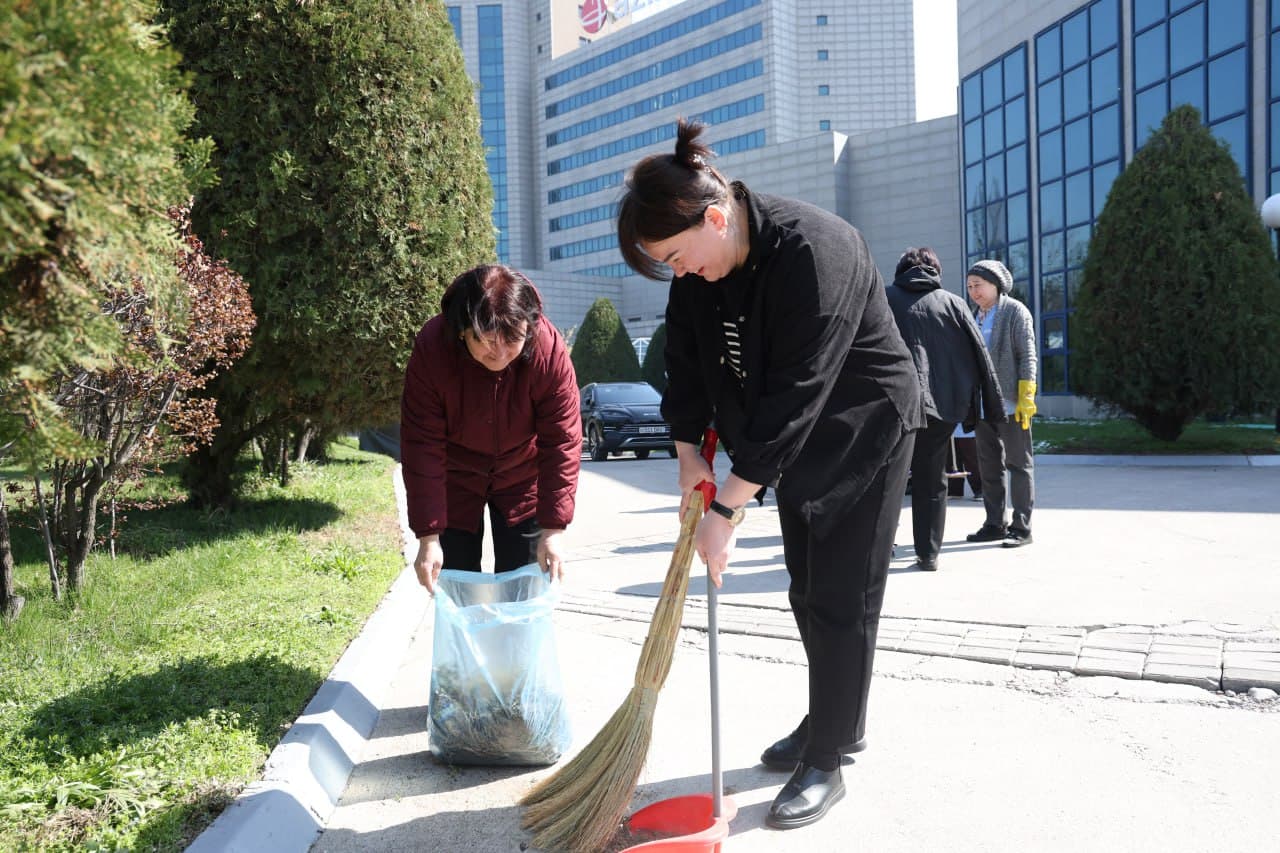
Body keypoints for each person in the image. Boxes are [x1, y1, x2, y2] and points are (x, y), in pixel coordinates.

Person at [616, 120, 921, 830]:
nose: (679, 273)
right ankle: (828, 715)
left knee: (842, 595)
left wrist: (725, 510)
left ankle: (831, 755)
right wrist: (690, 454)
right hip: (785, 445)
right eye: (667, 265)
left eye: (677, 256)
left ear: (715, 216)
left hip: (863, 427)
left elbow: (800, 390)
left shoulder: (817, 250)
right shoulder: (702, 270)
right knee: (805, 588)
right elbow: (686, 362)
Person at [400, 264, 582, 592]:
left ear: (529, 326)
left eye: (512, 339)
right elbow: (422, 444)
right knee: (459, 591)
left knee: (523, 594)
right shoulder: (433, 348)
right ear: (461, 331)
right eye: (485, 341)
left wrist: (554, 530)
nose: (499, 353)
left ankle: (514, 645)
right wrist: (428, 538)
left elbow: (562, 440)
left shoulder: (547, 349)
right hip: (453, 481)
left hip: (522, 479)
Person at [885, 248, 1004, 571]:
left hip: (892, 406)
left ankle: (881, 549)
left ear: (901, 270)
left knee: (887, 478)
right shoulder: (953, 303)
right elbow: (978, 354)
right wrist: (986, 405)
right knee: (931, 478)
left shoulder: (884, 299)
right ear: (935, 270)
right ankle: (928, 554)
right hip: (942, 407)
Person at [963, 259, 1038, 547]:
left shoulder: (1015, 311)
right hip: (983, 404)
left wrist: (1027, 396)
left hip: (1011, 402)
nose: (973, 291)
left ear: (996, 284)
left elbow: (1027, 354)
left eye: (978, 285)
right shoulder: (973, 316)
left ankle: (1022, 527)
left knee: (1019, 464)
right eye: (970, 286)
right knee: (989, 467)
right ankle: (994, 523)